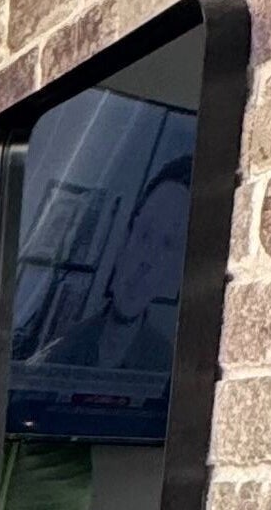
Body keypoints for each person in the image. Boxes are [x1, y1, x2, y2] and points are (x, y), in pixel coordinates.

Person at [30, 155, 191, 374]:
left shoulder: (166, 368)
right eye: (145, 235)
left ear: (175, 273)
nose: (146, 261)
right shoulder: (63, 349)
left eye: (168, 244)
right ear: (125, 240)